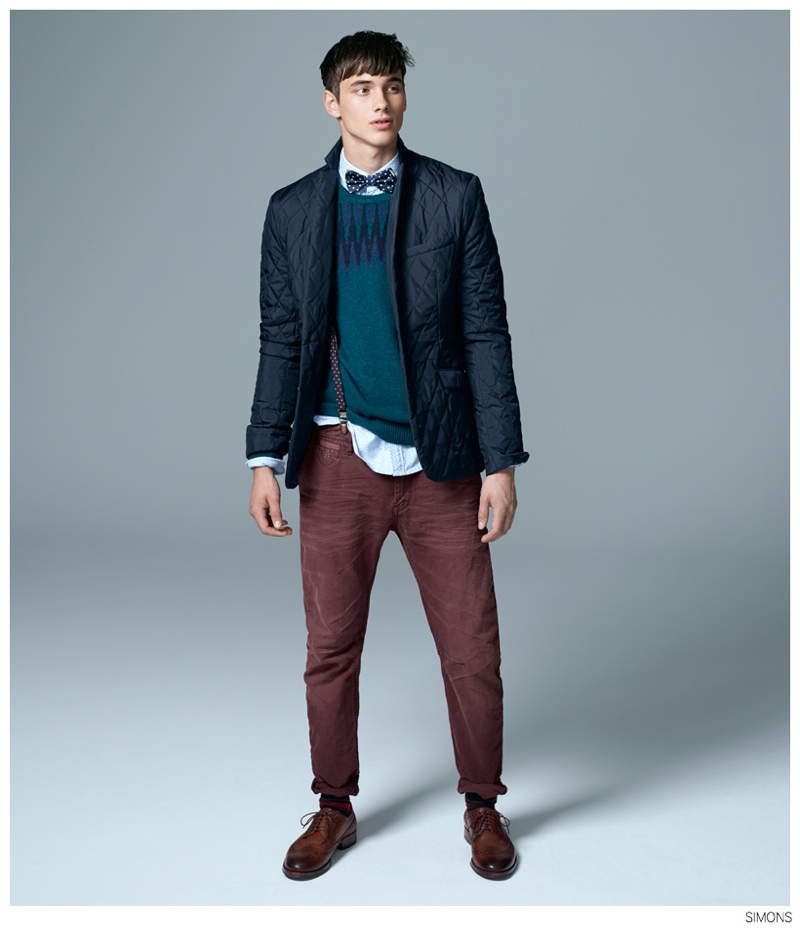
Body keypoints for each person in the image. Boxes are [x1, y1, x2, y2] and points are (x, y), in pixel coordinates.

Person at [246, 30, 528, 881]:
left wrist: (501, 460)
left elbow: (485, 330)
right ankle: (333, 806)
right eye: (363, 87)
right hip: (337, 455)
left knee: (472, 649)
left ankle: (483, 805)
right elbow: (281, 337)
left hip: (443, 457)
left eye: (392, 85)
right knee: (330, 648)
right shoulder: (293, 209)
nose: (381, 100)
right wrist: (264, 456)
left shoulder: (454, 195)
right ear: (332, 103)